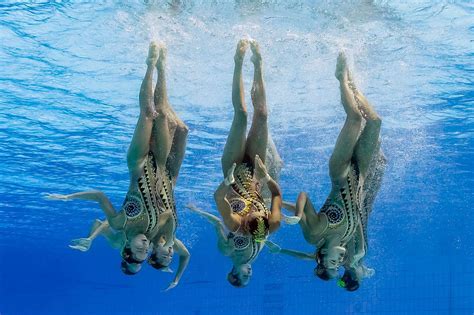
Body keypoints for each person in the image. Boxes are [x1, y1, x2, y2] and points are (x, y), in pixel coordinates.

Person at [46, 42, 190, 288]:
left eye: (139, 250)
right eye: (145, 252)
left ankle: (150, 64)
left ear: (127, 247)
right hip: (160, 166)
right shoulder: (154, 234)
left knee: (147, 114)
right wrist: (170, 260)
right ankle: (163, 65)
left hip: (138, 163)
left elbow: (100, 196)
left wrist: (68, 197)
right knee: (164, 117)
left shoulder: (119, 224)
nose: (144, 247)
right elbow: (170, 224)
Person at [266, 52, 386, 291]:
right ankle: (352, 85)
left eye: (332, 264)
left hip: (340, 173)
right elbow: (355, 253)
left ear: (320, 259)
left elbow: (304, 197)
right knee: (374, 122)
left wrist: (298, 214)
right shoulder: (347, 240)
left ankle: (341, 78)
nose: (338, 263)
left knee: (353, 119)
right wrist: (360, 265)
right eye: (338, 267)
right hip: (360, 174)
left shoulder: (315, 234)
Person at [188, 39, 285, 288]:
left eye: (243, 275)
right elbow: (275, 193)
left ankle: (238, 62)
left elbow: (218, 199)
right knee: (262, 114)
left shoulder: (234, 226)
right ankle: (258, 64)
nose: (248, 272)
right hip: (254, 170)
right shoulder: (271, 226)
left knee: (241, 115)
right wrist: (266, 177)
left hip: (231, 168)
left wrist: (227, 181)